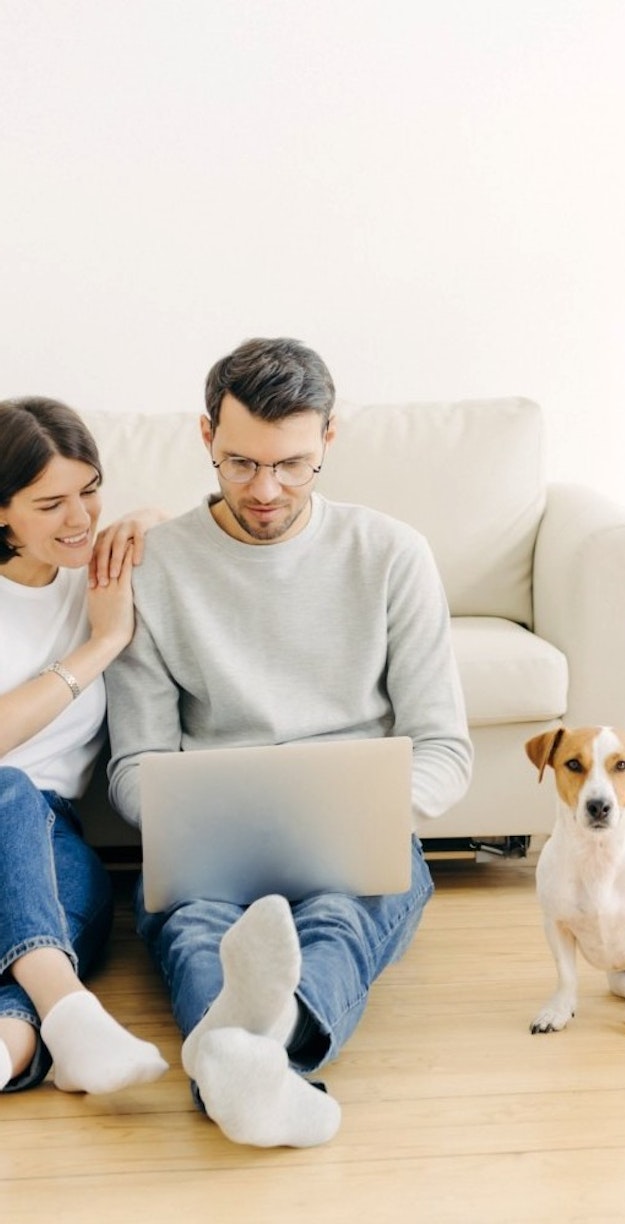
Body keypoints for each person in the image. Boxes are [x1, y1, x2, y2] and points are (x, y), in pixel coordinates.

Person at [105, 337, 472, 1148]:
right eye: (239, 464)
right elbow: (133, 764)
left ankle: (245, 1062)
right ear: (205, 436)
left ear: (329, 441)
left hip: (356, 840)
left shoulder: (391, 555)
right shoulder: (155, 566)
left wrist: (367, 810)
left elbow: (445, 749)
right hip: (210, 842)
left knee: (340, 919)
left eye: (293, 465)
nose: (265, 490)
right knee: (201, 925)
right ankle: (275, 1073)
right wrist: (184, 811)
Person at [0, 396, 169, 1095]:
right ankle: (71, 1012)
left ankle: (23, 1043)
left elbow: (178, 522)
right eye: (51, 504)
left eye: (91, 491)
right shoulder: (96, 613)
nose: (80, 519)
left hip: (50, 831)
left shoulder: (97, 570)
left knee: (78, 890)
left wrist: (140, 519)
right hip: (9, 799)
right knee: (6, 787)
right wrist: (101, 644)